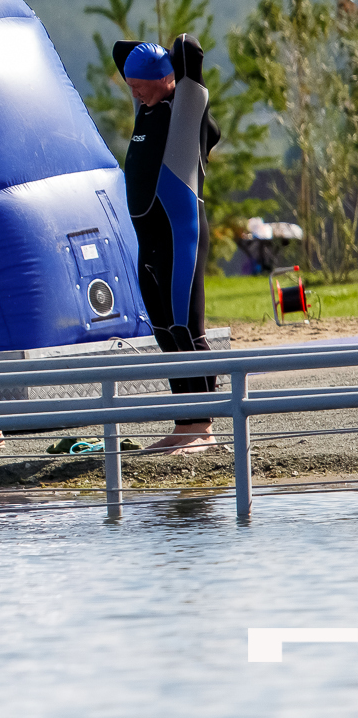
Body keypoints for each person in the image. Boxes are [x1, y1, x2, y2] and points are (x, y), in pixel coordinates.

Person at [116, 37, 222, 453]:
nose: (134, 92)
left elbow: (187, 47)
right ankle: (184, 423)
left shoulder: (185, 111)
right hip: (150, 242)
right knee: (164, 332)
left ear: (166, 78)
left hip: (181, 236)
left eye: (140, 84)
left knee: (186, 329)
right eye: (130, 85)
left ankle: (203, 427)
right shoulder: (145, 108)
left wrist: (166, 67)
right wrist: (146, 69)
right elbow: (122, 50)